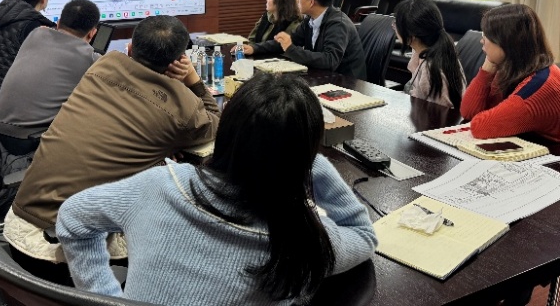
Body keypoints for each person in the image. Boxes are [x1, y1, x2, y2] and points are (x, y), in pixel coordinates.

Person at [56, 73, 377, 305]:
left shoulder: (158, 185)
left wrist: (107, 297)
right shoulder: (301, 241)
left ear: (225, 131)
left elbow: (72, 216)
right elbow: (363, 235)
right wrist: (309, 163)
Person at [4, 15, 220, 284]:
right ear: (179, 60)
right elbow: (217, 124)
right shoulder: (182, 109)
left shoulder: (103, 65)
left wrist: (156, 151)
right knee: (186, 224)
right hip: (62, 255)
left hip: (18, 229)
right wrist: (192, 80)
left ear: (129, 48)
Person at [461, 4, 560, 152]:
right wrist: (487, 70)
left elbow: (480, 127)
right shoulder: (512, 69)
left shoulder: (541, 86)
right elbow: (469, 112)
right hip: (538, 148)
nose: (482, 41)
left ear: (506, 42)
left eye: (486, 35)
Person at [0, 0, 101, 156]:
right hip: (25, 140)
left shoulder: (36, 34)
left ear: (58, 23)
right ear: (92, 33)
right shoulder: (90, 59)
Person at [241, 0, 367, 79]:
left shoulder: (338, 24)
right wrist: (254, 48)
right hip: (323, 77)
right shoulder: (310, 20)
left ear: (311, 2)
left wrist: (291, 49)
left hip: (347, 83)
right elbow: (289, 42)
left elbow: (330, 60)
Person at [393, 0, 465, 109]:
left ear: (411, 36)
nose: (394, 27)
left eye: (396, 24)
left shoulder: (431, 69)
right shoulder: (425, 50)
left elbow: (438, 113)